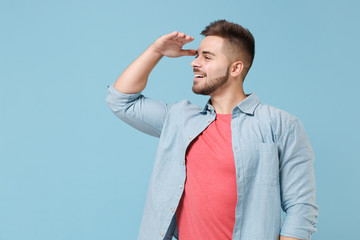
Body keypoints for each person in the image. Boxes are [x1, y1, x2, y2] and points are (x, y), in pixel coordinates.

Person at [105, 20, 318, 240]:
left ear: (235, 68)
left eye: (207, 57)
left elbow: (301, 208)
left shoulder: (281, 124)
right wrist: (156, 51)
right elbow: (121, 101)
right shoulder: (180, 119)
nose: (194, 63)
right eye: (197, 55)